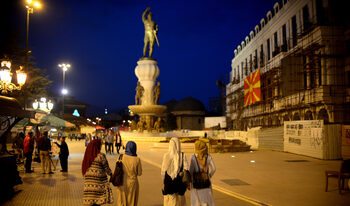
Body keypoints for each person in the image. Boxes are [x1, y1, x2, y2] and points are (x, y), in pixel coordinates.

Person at [82, 139, 113, 205]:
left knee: (91, 203)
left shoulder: (87, 156)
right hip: (98, 184)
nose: (101, 146)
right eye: (100, 144)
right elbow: (106, 168)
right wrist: (111, 174)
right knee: (97, 202)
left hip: (89, 184)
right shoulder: (100, 156)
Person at [161, 137, 188, 206]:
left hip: (169, 184)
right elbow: (186, 169)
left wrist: (164, 181)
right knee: (180, 202)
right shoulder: (182, 155)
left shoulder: (166, 155)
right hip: (179, 184)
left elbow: (163, 171)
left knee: (170, 201)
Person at [115, 141, 142, 206]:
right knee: (131, 201)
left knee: (121, 201)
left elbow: (117, 168)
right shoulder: (137, 159)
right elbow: (139, 173)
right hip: (132, 183)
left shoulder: (120, 157)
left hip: (121, 181)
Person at [189, 140, 216, 206]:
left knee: (197, 202)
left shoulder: (193, 157)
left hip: (196, 184)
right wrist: (208, 176)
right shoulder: (208, 156)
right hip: (206, 183)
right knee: (207, 201)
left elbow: (191, 171)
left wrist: (189, 182)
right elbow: (214, 169)